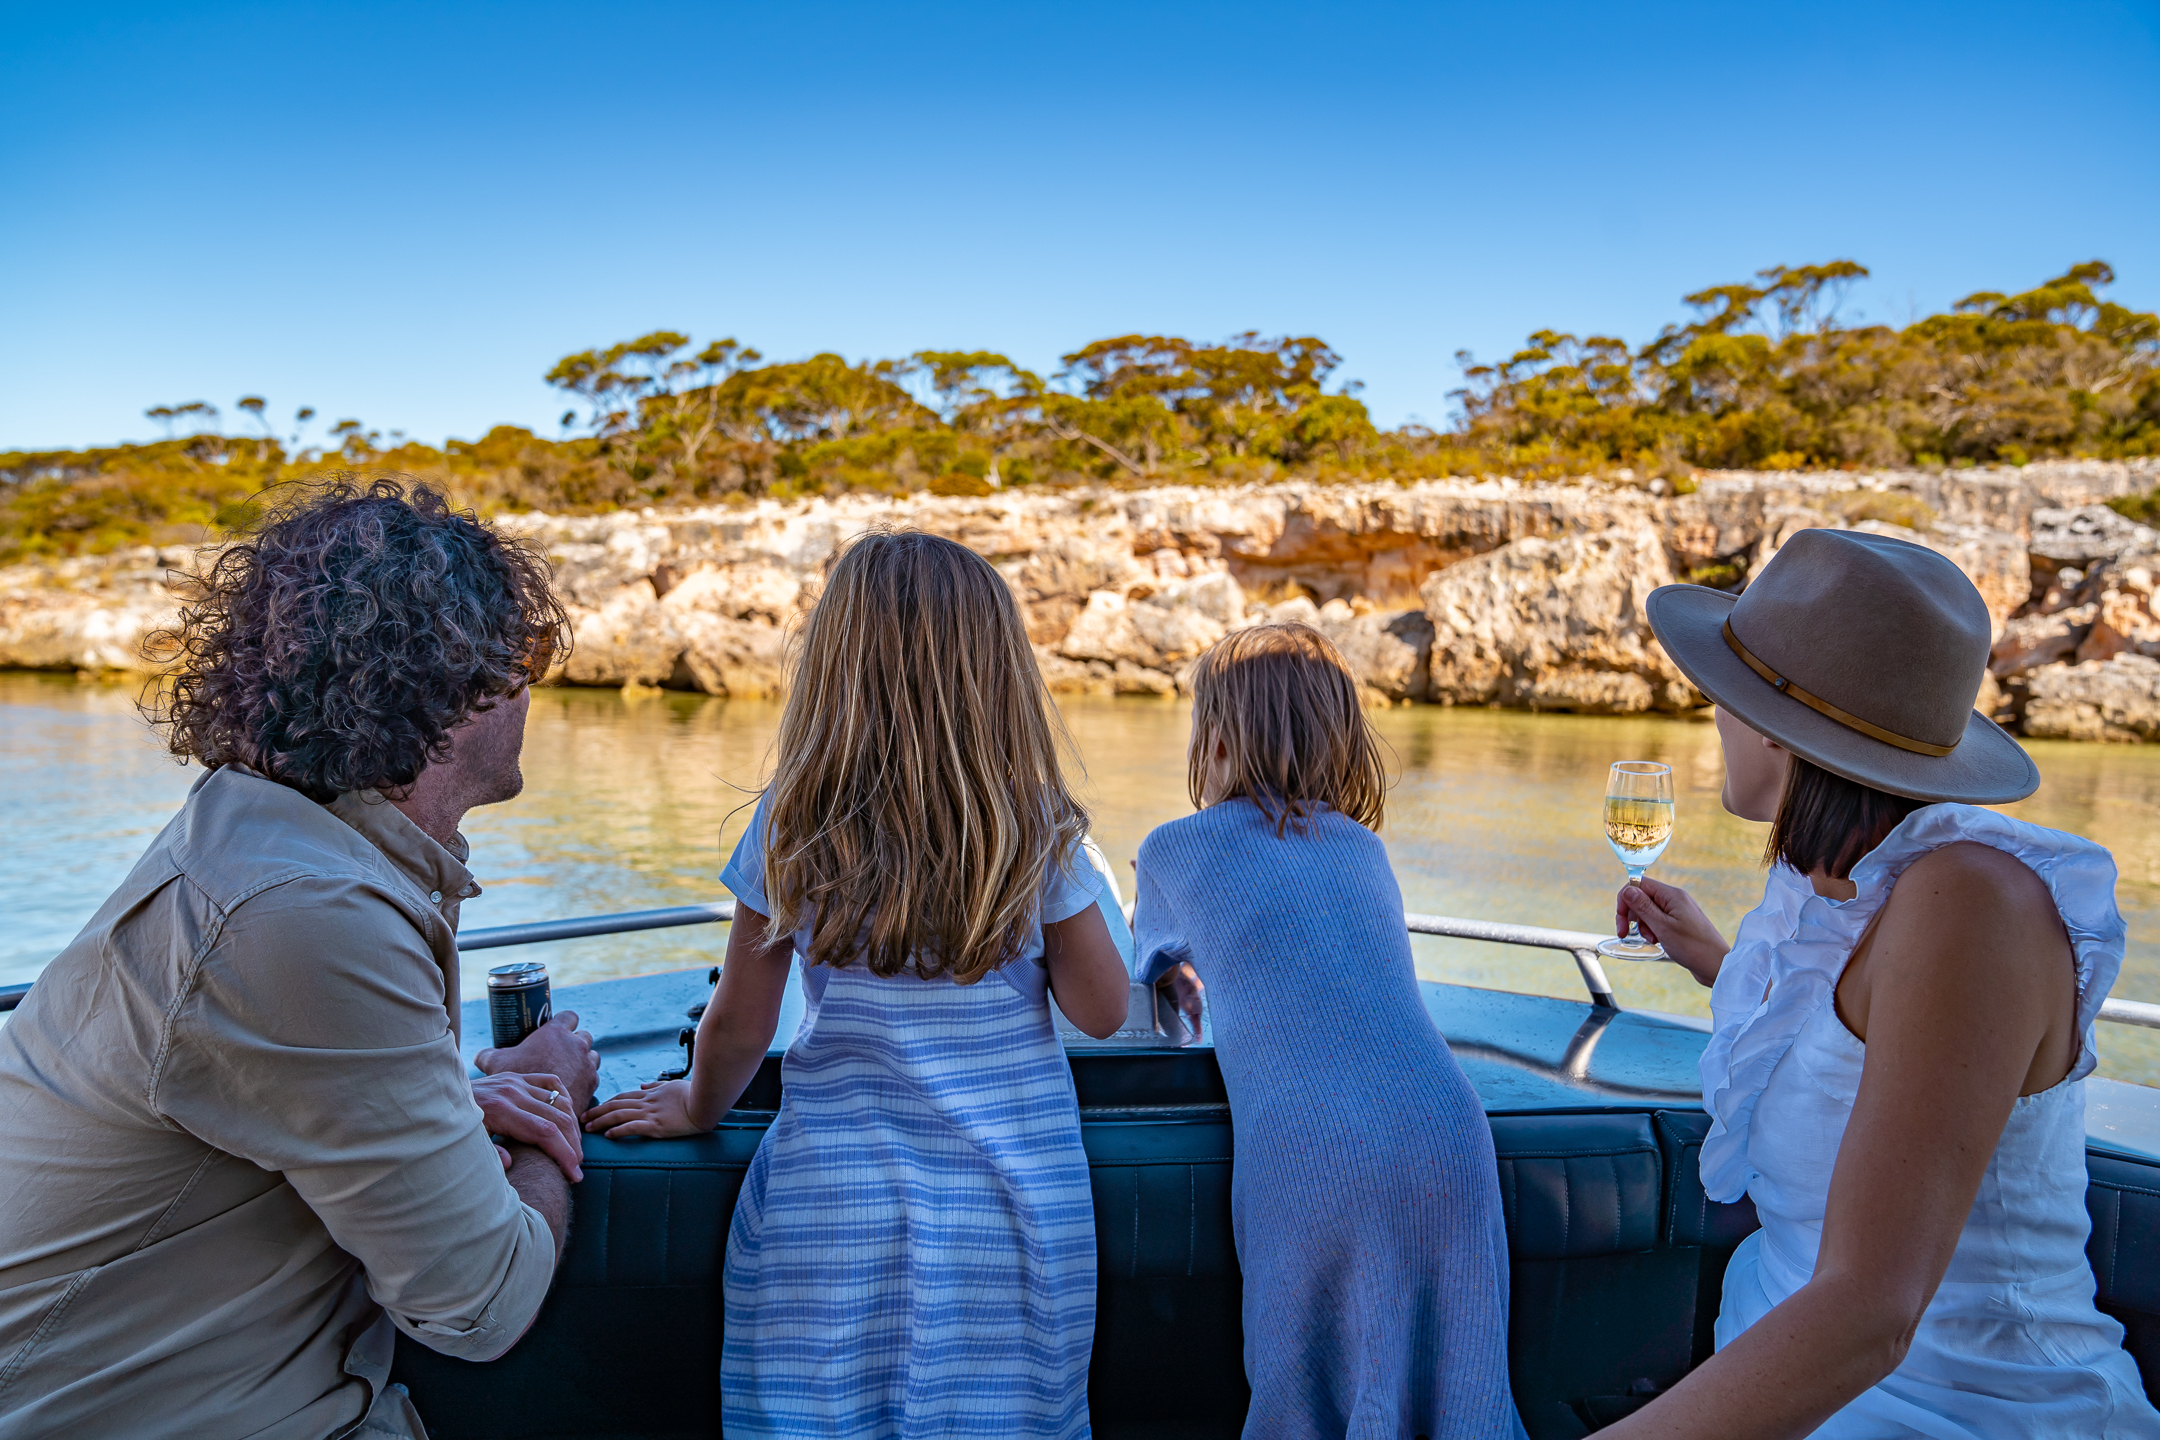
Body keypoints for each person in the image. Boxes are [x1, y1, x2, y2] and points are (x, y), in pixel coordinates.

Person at [0, 480, 599, 1440]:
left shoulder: (267, 839)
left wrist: (448, 1102)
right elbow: (481, 1306)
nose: (534, 685)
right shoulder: (309, 915)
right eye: (521, 656)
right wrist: (547, 1110)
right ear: (453, 685)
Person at [1597, 527, 2160, 1439]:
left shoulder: (1971, 906)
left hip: (1959, 1413)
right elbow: (1854, 1044)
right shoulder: (1842, 883)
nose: (1714, 715)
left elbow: (1870, 1312)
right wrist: (1712, 956)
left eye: (1726, 695)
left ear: (1780, 729)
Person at [584, 528, 1131, 1438]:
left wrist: (695, 1106)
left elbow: (741, 1017)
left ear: (835, 665)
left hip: (830, 1202)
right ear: (999, 673)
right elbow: (1104, 1013)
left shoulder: (791, 819)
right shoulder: (1038, 830)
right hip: (1010, 1212)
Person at [1129, 623, 1526, 1440]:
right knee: (1457, 1397)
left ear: (1217, 737)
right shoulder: (1364, 850)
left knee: (1303, 1396)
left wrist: (1175, 974)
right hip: (1447, 1134)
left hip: (1310, 1150)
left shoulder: (1172, 847)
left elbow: (1147, 975)